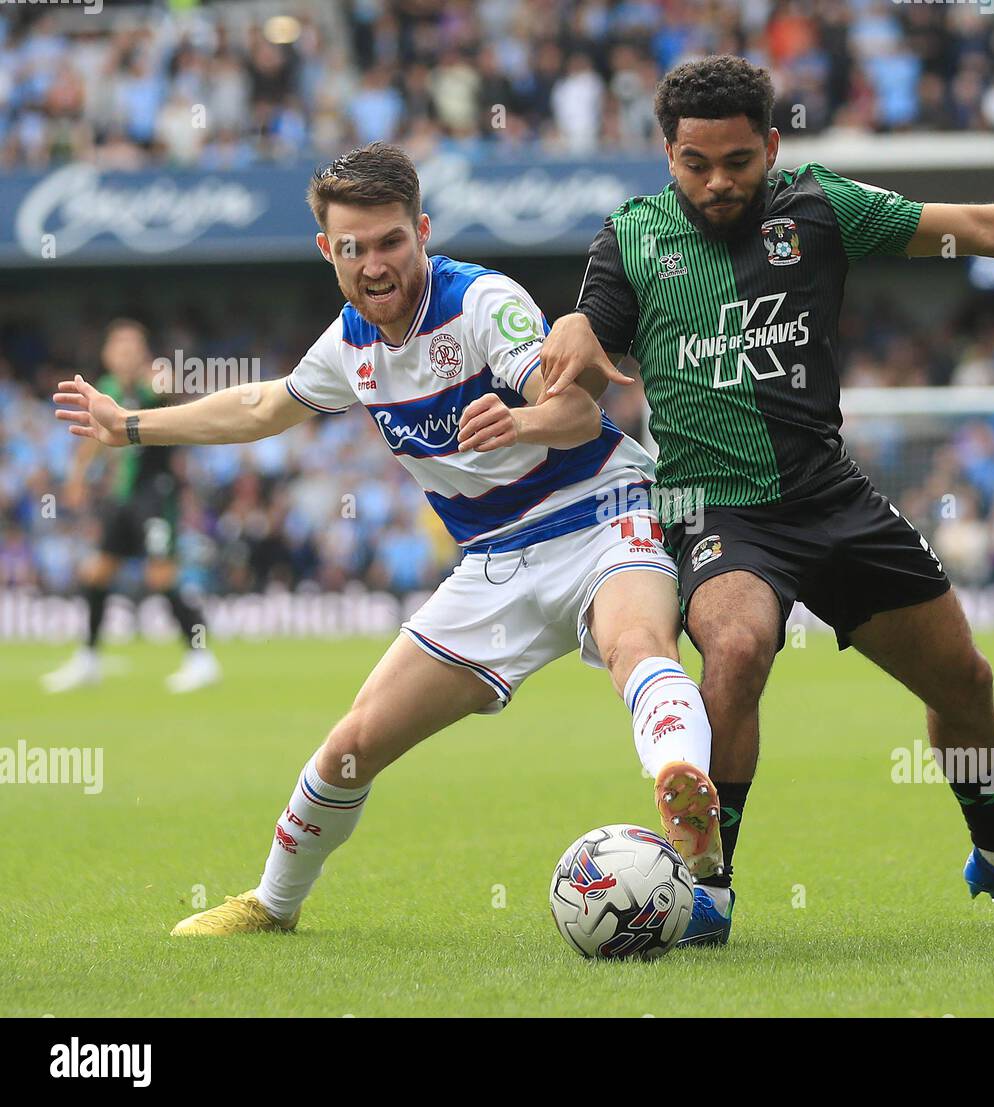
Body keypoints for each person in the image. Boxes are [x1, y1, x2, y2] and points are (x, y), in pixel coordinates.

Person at [540, 54, 994, 944]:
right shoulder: (631, 238)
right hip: (719, 510)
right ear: (665, 151)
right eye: (695, 163)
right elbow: (585, 342)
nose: (717, 182)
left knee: (965, 679)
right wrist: (567, 332)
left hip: (833, 498)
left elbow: (980, 224)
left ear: (773, 145)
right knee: (740, 647)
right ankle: (711, 886)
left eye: (738, 162)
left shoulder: (822, 210)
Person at [54, 142, 722, 938]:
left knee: (636, 644)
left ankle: (682, 781)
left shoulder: (482, 302)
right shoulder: (349, 348)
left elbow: (576, 410)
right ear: (326, 251)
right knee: (354, 743)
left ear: (423, 231)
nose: (374, 263)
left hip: (600, 515)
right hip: (492, 565)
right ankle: (271, 904)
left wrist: (523, 418)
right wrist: (130, 425)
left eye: (390, 241)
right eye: (353, 247)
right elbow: (264, 408)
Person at [43, 318, 220, 695]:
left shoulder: (154, 378)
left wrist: (162, 378)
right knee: (96, 575)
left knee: (161, 577)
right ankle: (89, 659)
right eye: (118, 346)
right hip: (123, 498)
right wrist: (77, 477)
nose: (124, 352)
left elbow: (170, 389)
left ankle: (201, 658)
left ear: (142, 351)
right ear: (107, 353)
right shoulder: (106, 388)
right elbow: (94, 438)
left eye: (132, 346)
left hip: (156, 494)